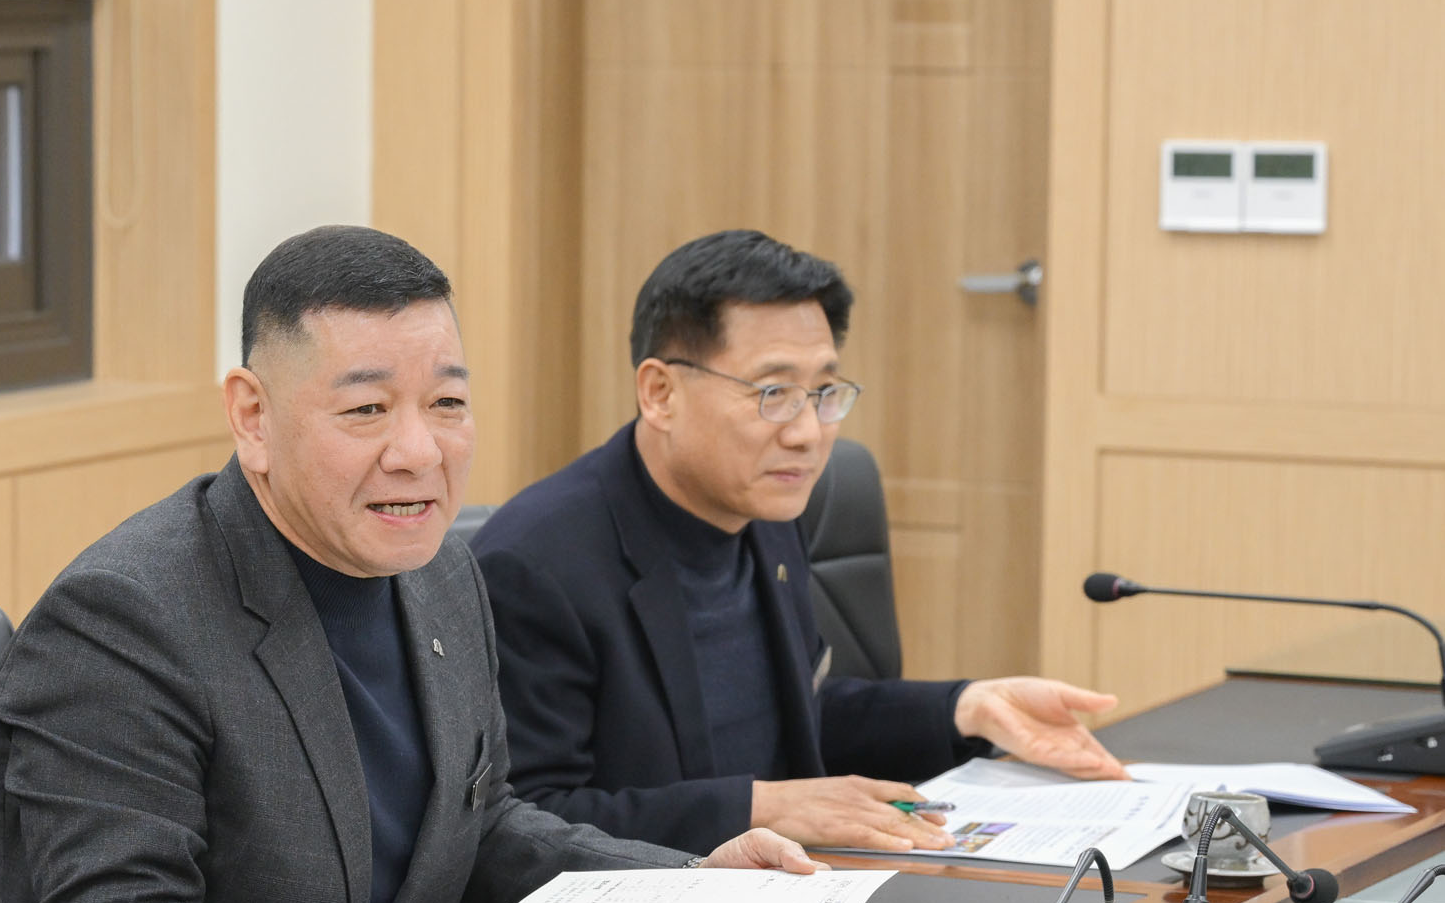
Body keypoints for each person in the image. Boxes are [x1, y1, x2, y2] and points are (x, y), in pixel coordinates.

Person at [0, 226, 817, 903]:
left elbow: (481, 828)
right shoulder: (122, 617)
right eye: (366, 410)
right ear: (253, 417)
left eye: (447, 404)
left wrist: (687, 889)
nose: (419, 451)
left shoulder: (441, 574)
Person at [470, 230, 1128, 857]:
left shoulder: (767, 509)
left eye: (823, 393)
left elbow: (792, 718)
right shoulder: (536, 566)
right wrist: (759, 808)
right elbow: (523, 825)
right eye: (774, 393)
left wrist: (964, 708)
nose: (808, 433)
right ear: (660, 393)